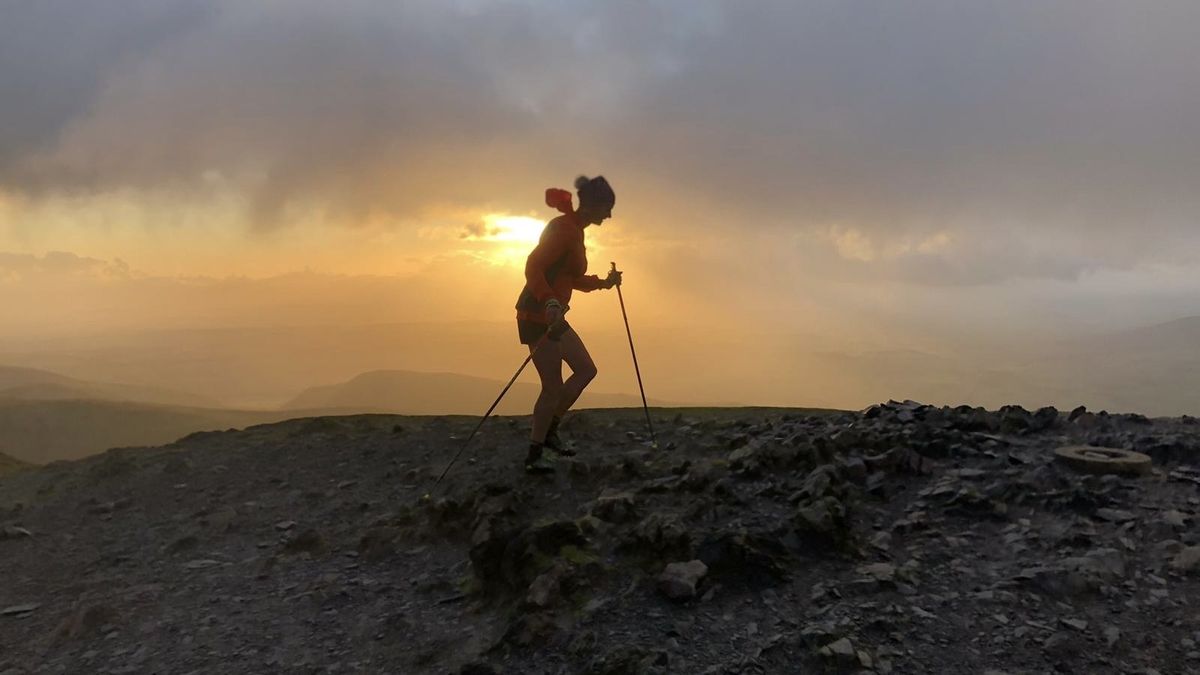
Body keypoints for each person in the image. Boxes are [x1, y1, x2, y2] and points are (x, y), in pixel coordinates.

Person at [514, 175, 621, 473]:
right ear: (593, 206)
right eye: (607, 207)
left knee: (586, 370)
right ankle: (534, 455)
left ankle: (550, 432)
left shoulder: (575, 230)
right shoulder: (564, 229)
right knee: (552, 386)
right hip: (536, 315)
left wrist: (604, 283)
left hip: (554, 314)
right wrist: (548, 301)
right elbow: (533, 266)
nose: (609, 215)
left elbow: (569, 278)